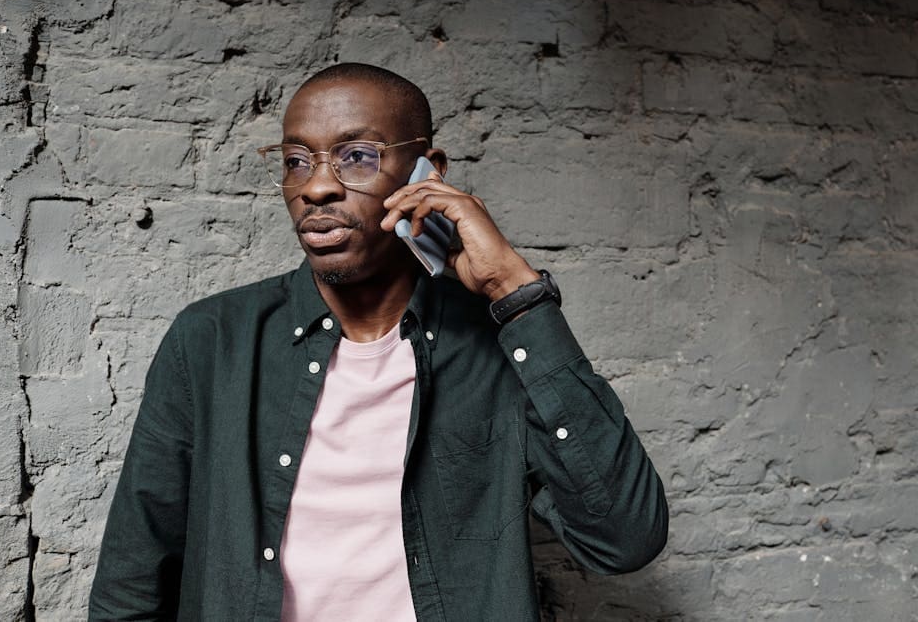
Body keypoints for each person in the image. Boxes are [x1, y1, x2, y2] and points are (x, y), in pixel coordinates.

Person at [89, 63, 668, 620]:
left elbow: (624, 539)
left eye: (356, 157)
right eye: (295, 161)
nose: (316, 187)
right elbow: (133, 581)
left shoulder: (501, 344)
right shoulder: (211, 342)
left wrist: (515, 292)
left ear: (426, 174)